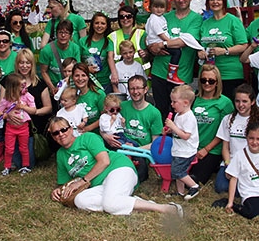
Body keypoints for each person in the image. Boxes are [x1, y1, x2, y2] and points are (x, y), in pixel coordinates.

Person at [49, 116, 183, 217]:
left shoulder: (87, 138)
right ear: (53, 137)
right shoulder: (61, 155)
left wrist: (83, 181)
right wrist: (59, 190)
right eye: (56, 133)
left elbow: (104, 161)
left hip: (118, 168)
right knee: (80, 200)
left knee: (110, 204)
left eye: (63, 129)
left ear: (71, 129)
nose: (61, 134)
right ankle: (128, 201)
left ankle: (163, 208)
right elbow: (66, 182)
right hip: (100, 185)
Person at [148, 0, 202, 119]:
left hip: (181, 74)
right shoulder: (164, 16)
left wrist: (162, 44)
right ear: (172, 0)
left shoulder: (196, 19)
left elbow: (184, 41)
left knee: (178, 113)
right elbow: (149, 34)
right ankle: (161, 140)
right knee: (160, 110)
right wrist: (151, 47)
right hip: (160, 71)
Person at [102, 75, 162, 182]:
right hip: (120, 145)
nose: (135, 92)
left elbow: (155, 143)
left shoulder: (154, 113)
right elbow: (104, 123)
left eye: (138, 88)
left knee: (139, 174)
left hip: (140, 150)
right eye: (132, 88)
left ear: (145, 89)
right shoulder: (122, 106)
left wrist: (134, 149)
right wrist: (106, 137)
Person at [215, 84, 259, 193]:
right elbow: (225, 147)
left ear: (252, 102)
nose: (240, 105)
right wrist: (228, 164)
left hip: (250, 163)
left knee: (242, 189)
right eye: (237, 101)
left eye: (244, 101)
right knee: (221, 188)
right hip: (231, 161)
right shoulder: (227, 119)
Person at [198, 0, 248, 98]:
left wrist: (225, 51)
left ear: (224, 2)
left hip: (229, 74)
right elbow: (201, 45)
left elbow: (243, 45)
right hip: (208, 76)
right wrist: (200, 52)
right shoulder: (205, 23)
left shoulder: (233, 21)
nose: (215, 2)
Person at [189, 64, 233, 187]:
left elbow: (226, 132)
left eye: (211, 81)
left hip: (212, 149)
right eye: (203, 80)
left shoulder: (225, 102)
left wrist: (206, 149)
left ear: (217, 82)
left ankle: (215, 164)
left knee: (194, 180)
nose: (207, 83)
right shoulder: (193, 98)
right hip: (191, 146)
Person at [11, 48, 53, 166]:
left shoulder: (40, 84)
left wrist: (33, 111)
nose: (24, 66)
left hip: (32, 128)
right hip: (13, 126)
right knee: (17, 162)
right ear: (17, 64)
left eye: (27, 63)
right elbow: (2, 104)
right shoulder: (9, 81)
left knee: (29, 163)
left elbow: (48, 108)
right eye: (21, 62)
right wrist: (8, 114)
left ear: (32, 65)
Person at [146, 0, 192, 84]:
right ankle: (172, 73)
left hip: (158, 42)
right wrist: (169, 41)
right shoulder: (154, 19)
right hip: (158, 42)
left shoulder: (161, 17)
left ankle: (151, 73)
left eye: (162, 7)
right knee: (177, 52)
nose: (159, 9)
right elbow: (160, 33)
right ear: (150, 7)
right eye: (156, 7)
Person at [164, 85, 200, 200]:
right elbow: (179, 130)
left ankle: (194, 186)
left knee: (177, 171)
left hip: (186, 151)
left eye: (175, 102)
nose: (172, 104)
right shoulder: (179, 115)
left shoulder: (189, 117)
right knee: (178, 172)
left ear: (185, 102)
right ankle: (180, 192)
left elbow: (185, 136)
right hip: (178, 149)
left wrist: (173, 126)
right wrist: (170, 130)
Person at [0, 73, 34, 176]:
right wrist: (7, 114)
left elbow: (33, 110)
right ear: (13, 87)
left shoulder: (27, 96)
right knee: (9, 149)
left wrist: (23, 107)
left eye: (25, 84)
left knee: (24, 148)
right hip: (10, 128)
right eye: (21, 85)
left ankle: (25, 166)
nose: (24, 87)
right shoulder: (6, 99)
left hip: (23, 127)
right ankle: (7, 166)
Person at [40, 21, 81, 97]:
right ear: (56, 34)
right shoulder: (47, 50)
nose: (63, 35)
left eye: (66, 33)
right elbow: (44, 71)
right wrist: (52, 87)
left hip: (71, 88)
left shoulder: (75, 48)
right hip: (54, 87)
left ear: (71, 35)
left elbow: (78, 69)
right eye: (60, 32)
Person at [79, 12, 116, 93]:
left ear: (107, 26)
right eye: (97, 23)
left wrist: (114, 74)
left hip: (104, 83)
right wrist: (86, 69)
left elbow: (110, 58)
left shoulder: (109, 42)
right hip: (86, 82)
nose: (99, 26)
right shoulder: (82, 41)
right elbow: (78, 60)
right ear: (92, 25)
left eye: (103, 23)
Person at [72, 62, 106, 132]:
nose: (80, 78)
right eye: (77, 75)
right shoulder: (70, 95)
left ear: (88, 77)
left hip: (97, 133)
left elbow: (106, 116)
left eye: (83, 75)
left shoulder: (99, 94)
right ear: (72, 77)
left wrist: (87, 129)